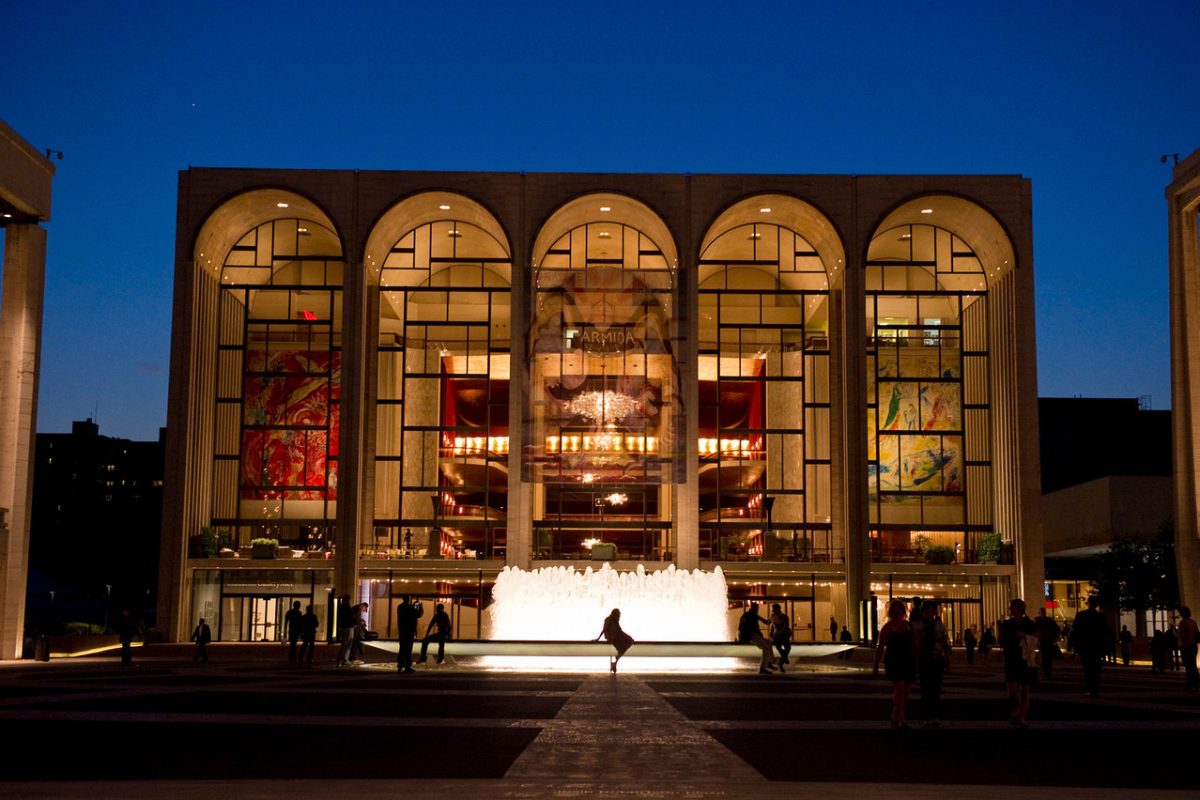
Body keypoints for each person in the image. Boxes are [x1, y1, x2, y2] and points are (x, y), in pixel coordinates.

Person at [873, 599, 916, 728]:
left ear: (903, 611)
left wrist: (917, 659)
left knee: (906, 690)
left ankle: (895, 714)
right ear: (891, 612)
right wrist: (875, 665)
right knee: (899, 688)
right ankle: (902, 718)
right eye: (895, 610)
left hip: (908, 660)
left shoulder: (908, 626)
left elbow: (915, 644)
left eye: (900, 609)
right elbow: (880, 647)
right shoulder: (887, 627)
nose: (898, 612)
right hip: (893, 660)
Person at [1000, 598, 1038, 728]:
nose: (1010, 608)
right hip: (1012, 657)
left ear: (1019, 609)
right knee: (1012, 690)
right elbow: (1002, 640)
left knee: (1025, 689)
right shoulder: (1007, 624)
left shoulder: (1029, 624)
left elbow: (1037, 638)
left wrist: (1023, 636)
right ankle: (1016, 710)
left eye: (1012, 606)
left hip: (1025, 658)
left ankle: (1021, 716)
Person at [914, 600, 950, 727]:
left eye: (933, 610)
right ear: (923, 611)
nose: (931, 612)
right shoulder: (918, 624)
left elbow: (944, 641)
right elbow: (917, 643)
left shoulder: (938, 624)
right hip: (925, 657)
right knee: (926, 688)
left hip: (936, 657)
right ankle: (927, 715)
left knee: (935, 687)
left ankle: (933, 715)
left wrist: (947, 658)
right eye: (929, 610)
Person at [1070, 595, 1106, 697]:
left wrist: (1076, 647)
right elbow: (1104, 633)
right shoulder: (1100, 617)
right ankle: (1095, 688)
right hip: (1097, 646)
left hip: (1085, 646)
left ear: (1089, 603)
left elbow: (1075, 631)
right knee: (1096, 668)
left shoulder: (1081, 615)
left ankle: (1090, 688)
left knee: (1087, 667)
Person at [737, 602, 775, 674]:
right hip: (750, 636)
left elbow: (739, 627)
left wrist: (739, 638)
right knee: (766, 647)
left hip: (746, 636)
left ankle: (769, 662)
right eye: (757, 608)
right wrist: (771, 617)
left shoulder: (745, 615)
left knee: (768, 642)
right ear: (756, 608)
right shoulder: (753, 615)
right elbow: (765, 623)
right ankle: (763, 667)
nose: (758, 609)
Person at [595, 608, 634, 673]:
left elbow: (619, 630)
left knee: (627, 644)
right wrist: (598, 638)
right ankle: (614, 663)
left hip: (616, 636)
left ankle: (614, 664)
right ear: (615, 614)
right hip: (612, 637)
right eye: (618, 615)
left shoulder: (614, 620)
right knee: (624, 647)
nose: (619, 616)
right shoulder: (609, 619)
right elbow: (604, 629)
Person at [395, 595, 422, 673]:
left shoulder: (400, 607)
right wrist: (419, 607)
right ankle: (407, 666)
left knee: (402, 648)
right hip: (409, 631)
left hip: (402, 631)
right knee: (408, 649)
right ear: (408, 599)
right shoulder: (410, 607)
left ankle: (400, 665)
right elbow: (418, 614)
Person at [1177, 606, 1199, 689]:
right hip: (1193, 645)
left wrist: (1176, 633)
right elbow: (1197, 633)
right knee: (1193, 664)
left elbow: (1183, 635)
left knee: (1188, 665)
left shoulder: (1182, 623)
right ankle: (1196, 682)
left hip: (1185, 646)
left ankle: (1189, 683)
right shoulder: (1193, 622)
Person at [1035, 609, 1060, 681]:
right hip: (1046, 641)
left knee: (1045, 658)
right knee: (1046, 658)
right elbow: (1056, 629)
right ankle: (1047, 672)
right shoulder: (1048, 620)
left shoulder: (1039, 621)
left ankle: (1046, 672)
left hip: (1045, 641)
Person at [769, 603, 791, 672]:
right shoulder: (781, 617)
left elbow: (784, 627)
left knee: (784, 648)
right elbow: (772, 626)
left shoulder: (783, 617)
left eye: (773, 609)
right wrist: (772, 634)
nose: (772, 610)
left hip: (780, 636)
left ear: (777, 609)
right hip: (779, 636)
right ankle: (782, 661)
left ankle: (782, 660)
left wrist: (773, 634)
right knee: (786, 648)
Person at [335, 595, 355, 667]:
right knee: (347, 644)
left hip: (342, 627)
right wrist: (354, 623)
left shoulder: (340, 606)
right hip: (348, 627)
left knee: (344, 644)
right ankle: (344, 660)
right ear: (348, 599)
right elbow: (351, 617)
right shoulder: (347, 606)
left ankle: (341, 660)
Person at [284, 600, 304, 665]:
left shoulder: (290, 612)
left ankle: (291, 657)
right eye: (298, 605)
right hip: (294, 630)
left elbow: (286, 622)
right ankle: (292, 657)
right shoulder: (298, 613)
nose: (299, 606)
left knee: (293, 644)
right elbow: (300, 623)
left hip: (293, 630)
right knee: (293, 644)